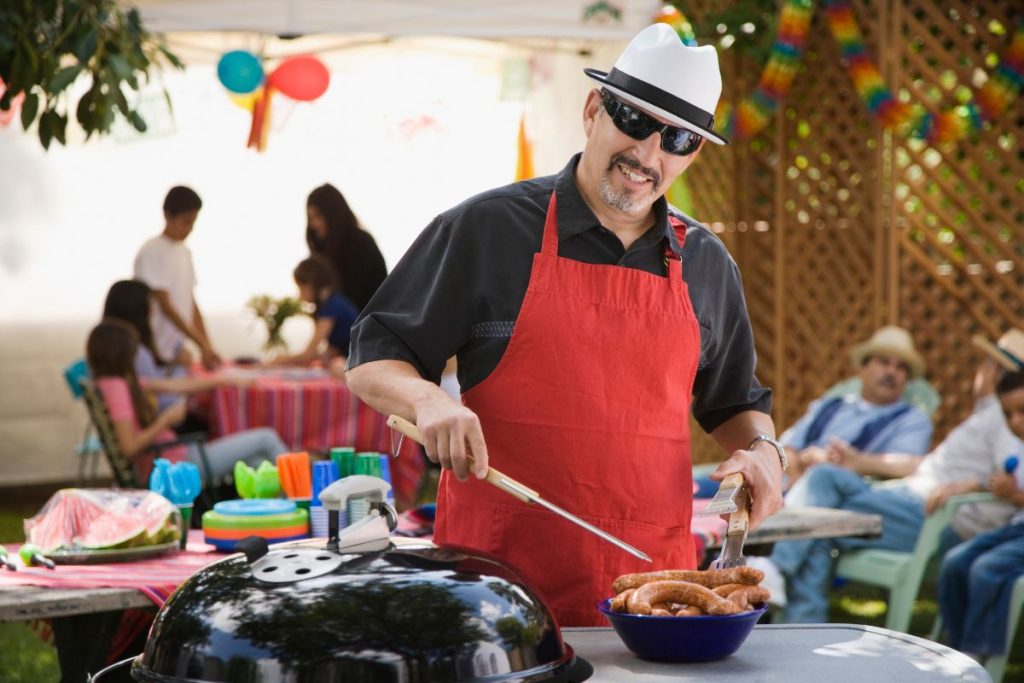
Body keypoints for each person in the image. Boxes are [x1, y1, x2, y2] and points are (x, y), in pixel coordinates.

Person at [345, 24, 785, 626]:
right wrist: (427, 401)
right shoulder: (486, 228)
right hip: (496, 599)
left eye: (677, 138)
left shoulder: (708, 262)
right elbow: (374, 353)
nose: (648, 156)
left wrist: (763, 452)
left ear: (694, 153)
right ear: (592, 110)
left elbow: (733, 401)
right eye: (634, 121)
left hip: (652, 597)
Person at [766, 346, 1024, 623]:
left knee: (821, 504)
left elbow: (1012, 473)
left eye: (989, 364)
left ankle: (775, 571)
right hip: (904, 496)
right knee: (822, 503)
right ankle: (802, 624)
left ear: (998, 372)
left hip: (935, 516)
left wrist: (972, 484)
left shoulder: (1009, 417)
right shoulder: (991, 408)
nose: (982, 370)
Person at [86, 319, 287, 483]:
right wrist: (166, 419)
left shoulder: (114, 382)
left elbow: (174, 385)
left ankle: (287, 517)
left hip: (172, 457)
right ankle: (307, 498)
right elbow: (129, 447)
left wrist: (223, 380)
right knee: (266, 438)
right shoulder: (117, 388)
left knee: (260, 462)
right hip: (176, 464)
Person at [938, 367, 1024, 661]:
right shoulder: (1019, 447)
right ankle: (955, 644)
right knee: (954, 562)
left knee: (986, 568)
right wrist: (990, 484)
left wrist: (1014, 495)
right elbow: (1004, 481)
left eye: (1022, 411)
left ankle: (977, 654)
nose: (1015, 422)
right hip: (1016, 529)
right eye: (1008, 414)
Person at [780, 325, 934, 483]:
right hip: (790, 487)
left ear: (907, 379)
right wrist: (796, 475)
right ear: (863, 368)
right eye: (884, 362)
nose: (891, 372)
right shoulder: (829, 405)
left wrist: (852, 462)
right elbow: (787, 447)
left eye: (901, 367)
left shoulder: (913, 420)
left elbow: (908, 465)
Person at [102, 279, 247, 434]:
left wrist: (177, 363)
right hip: (169, 431)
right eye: (150, 303)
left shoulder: (117, 351)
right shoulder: (137, 353)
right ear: (137, 309)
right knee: (221, 422)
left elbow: (153, 385)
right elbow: (163, 397)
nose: (153, 309)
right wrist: (184, 370)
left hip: (158, 428)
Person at [134, 185, 222, 370]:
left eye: (193, 222)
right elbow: (166, 305)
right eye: (185, 221)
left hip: (178, 347)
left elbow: (190, 302)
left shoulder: (185, 252)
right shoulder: (151, 251)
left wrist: (208, 346)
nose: (190, 228)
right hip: (155, 349)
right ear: (167, 215)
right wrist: (201, 344)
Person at [306, 183, 388, 311]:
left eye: (318, 216)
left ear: (332, 214)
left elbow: (356, 297)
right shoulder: (322, 250)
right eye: (311, 218)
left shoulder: (361, 244)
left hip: (365, 323)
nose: (314, 224)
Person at [270, 255, 359, 367]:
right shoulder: (334, 302)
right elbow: (331, 351)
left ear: (312, 284)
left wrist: (282, 360)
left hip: (358, 367)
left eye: (301, 288)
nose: (299, 295)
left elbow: (309, 353)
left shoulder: (332, 307)